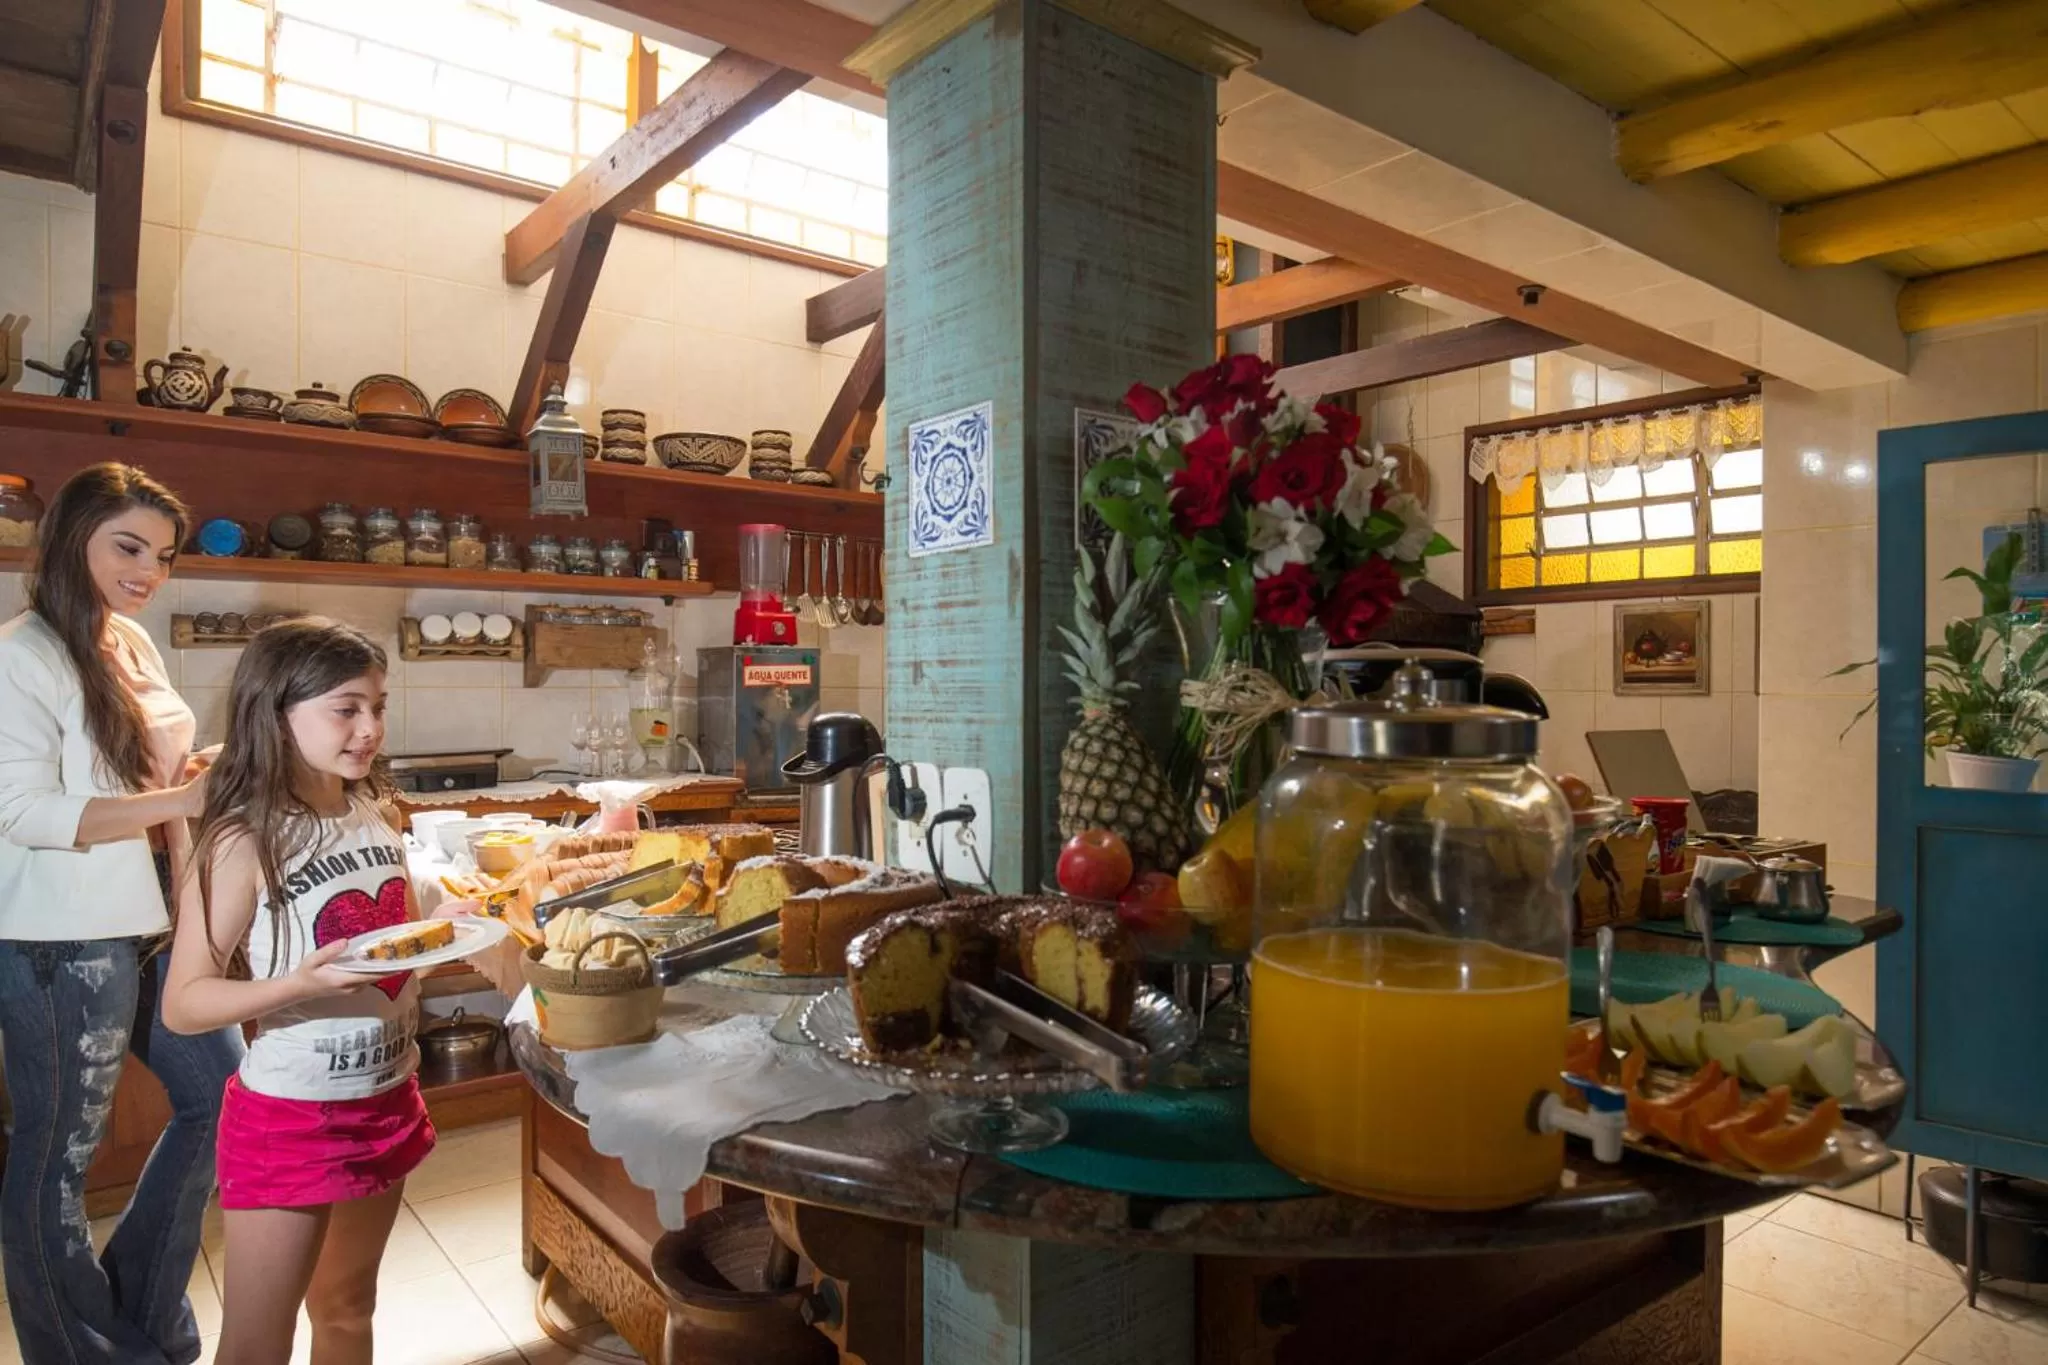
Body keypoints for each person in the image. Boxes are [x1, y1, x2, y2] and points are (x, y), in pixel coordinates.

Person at [0, 463, 245, 1365]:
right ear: (72, 537)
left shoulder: (130, 642)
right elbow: (23, 813)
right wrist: (177, 806)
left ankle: (136, 1316)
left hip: (151, 920)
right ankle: (80, 1350)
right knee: (57, 1156)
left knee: (224, 1098)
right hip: (57, 939)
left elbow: (140, 776)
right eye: (129, 546)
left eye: (165, 555)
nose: (149, 569)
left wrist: (196, 775)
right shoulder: (18, 655)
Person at [163, 617, 436, 1365]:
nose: (370, 727)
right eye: (345, 708)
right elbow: (184, 1001)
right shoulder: (243, 836)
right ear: (275, 712)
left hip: (386, 1093)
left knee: (348, 1308)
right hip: (292, 1113)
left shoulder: (375, 810)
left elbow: (391, 945)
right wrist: (295, 983)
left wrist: (446, 925)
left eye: (378, 705)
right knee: (258, 1342)